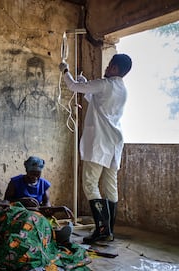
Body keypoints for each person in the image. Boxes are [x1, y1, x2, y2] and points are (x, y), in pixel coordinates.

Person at [58, 54, 132, 244]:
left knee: (90, 184)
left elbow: (73, 86)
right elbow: (97, 101)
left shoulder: (104, 83)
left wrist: (65, 71)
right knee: (110, 186)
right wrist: (85, 84)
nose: (106, 68)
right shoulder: (122, 89)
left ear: (115, 68)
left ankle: (101, 230)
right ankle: (108, 231)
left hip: (100, 142)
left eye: (109, 66)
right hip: (114, 142)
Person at [4, 156, 73, 244]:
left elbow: (46, 202)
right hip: (19, 212)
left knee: (46, 221)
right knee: (30, 220)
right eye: (32, 173)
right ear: (26, 170)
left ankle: (55, 234)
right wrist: (21, 201)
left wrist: (48, 209)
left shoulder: (43, 184)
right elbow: (6, 201)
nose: (34, 176)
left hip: (37, 212)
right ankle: (51, 236)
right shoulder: (15, 182)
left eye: (38, 174)